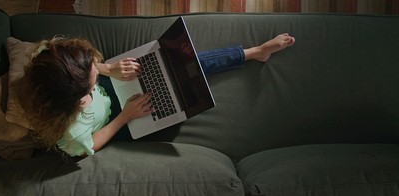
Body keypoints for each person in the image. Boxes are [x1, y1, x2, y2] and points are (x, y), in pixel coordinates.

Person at [24, 33, 295, 157]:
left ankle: (254, 52)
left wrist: (108, 69)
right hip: (116, 123)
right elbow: (91, 145)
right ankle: (252, 55)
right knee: (174, 95)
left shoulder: (52, 61)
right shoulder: (71, 134)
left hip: (110, 90)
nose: (94, 76)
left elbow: (87, 66)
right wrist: (125, 117)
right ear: (77, 99)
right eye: (88, 87)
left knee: (175, 67)